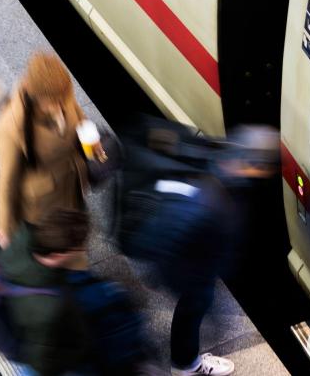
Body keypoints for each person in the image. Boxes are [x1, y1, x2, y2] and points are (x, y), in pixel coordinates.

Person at [118, 120, 282, 376]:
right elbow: (171, 241)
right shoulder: (212, 202)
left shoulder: (214, 157)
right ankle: (186, 366)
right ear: (255, 165)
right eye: (267, 167)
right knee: (192, 308)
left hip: (189, 256)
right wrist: (198, 293)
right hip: (187, 267)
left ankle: (186, 360)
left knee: (194, 304)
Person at [0, 208, 151, 375]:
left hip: (32, 336)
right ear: (58, 255)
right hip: (61, 360)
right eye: (79, 249)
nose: (84, 252)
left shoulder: (22, 240)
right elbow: (46, 360)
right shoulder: (51, 306)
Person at [0, 53, 89, 247]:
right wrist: (4, 228)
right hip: (43, 202)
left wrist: (93, 145)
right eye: (55, 102)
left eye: (65, 98)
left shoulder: (61, 92)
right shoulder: (10, 126)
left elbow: (80, 119)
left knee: (73, 230)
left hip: (72, 180)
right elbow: (7, 181)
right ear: (37, 98)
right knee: (50, 246)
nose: (63, 105)